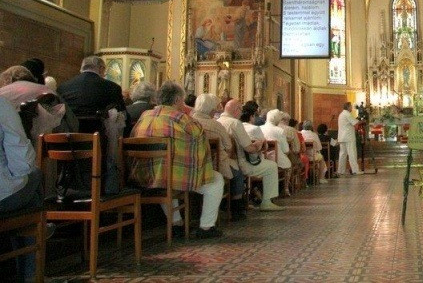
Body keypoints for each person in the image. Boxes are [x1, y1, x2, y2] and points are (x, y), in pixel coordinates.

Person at [130, 81, 224, 239]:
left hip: (144, 175)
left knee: (162, 173)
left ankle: (176, 224)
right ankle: (206, 227)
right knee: (216, 181)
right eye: (182, 100)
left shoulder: (144, 117)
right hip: (173, 177)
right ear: (176, 100)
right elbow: (202, 147)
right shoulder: (184, 120)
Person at [0, 95, 45, 280]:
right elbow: (23, 164)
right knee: (35, 177)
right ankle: (30, 275)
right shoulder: (2, 104)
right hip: (2, 197)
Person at [217, 98, 284, 212]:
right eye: (240, 109)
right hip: (238, 163)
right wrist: (258, 144)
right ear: (236, 110)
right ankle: (266, 202)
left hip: (220, 162)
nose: (241, 113)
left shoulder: (218, 121)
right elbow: (249, 148)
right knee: (271, 166)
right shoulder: (235, 123)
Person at [57, 55, 125, 118]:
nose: (104, 74)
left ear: (82, 68)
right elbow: (122, 114)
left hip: (69, 126)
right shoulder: (113, 87)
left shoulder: (62, 87)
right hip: (97, 126)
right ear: (101, 69)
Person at [337, 102, 362, 175]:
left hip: (342, 137)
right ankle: (355, 170)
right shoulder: (347, 114)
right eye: (351, 106)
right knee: (352, 153)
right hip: (348, 137)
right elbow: (355, 123)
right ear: (348, 107)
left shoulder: (341, 114)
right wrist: (362, 121)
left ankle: (340, 171)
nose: (351, 108)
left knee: (342, 154)